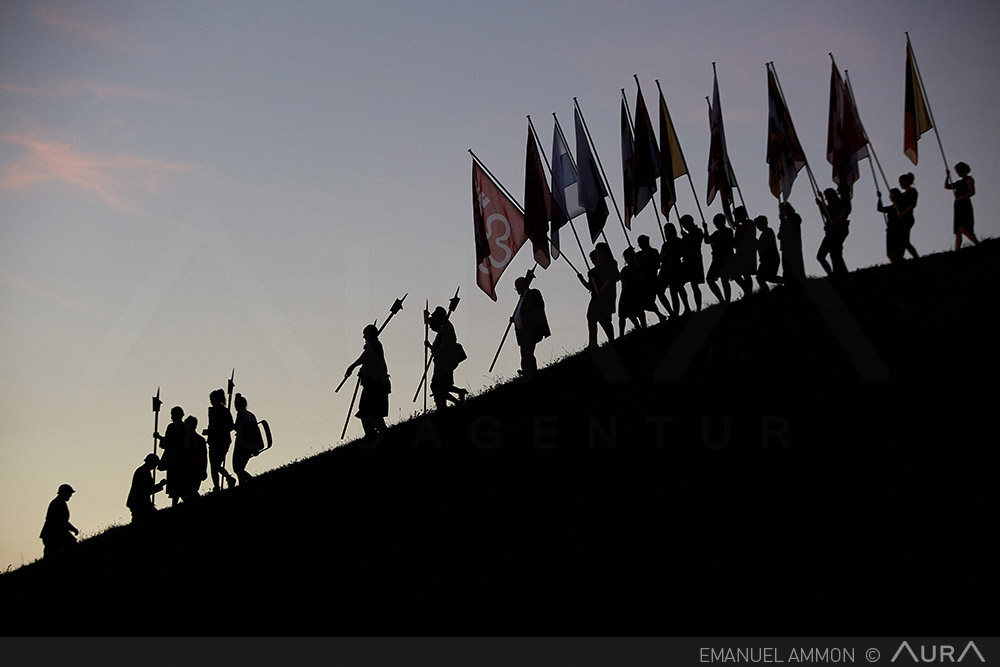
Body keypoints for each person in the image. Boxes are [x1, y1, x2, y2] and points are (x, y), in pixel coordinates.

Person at [345, 323, 391, 441]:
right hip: (376, 384)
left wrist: (352, 366)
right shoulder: (373, 346)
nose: (363, 337)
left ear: (370, 333)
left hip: (375, 385)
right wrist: (362, 372)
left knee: (367, 411)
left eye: (365, 334)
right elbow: (369, 361)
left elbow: (365, 357)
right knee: (372, 412)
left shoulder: (374, 345)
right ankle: (378, 434)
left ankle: (372, 435)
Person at [577, 244, 618, 347]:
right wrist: (581, 279)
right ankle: (593, 342)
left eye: (594, 257)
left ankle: (611, 340)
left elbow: (613, 278)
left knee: (605, 320)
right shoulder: (592, 272)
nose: (593, 260)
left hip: (606, 296)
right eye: (591, 259)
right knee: (591, 317)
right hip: (595, 298)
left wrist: (602, 291)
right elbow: (590, 287)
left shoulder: (608, 265)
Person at [426, 306, 467, 409]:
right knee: (443, 385)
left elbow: (445, 345)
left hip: (446, 359)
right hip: (443, 359)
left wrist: (431, 346)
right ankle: (457, 396)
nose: (431, 327)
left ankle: (444, 406)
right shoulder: (443, 328)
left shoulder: (446, 327)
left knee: (437, 385)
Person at [512, 276, 550, 381]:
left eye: (518, 287)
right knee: (526, 353)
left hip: (531, 330)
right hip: (523, 332)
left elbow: (537, 308)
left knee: (527, 353)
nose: (517, 291)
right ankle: (528, 371)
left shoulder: (533, 293)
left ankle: (530, 373)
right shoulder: (522, 299)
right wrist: (515, 318)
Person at [154, 406, 190, 506]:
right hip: (178, 458)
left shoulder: (174, 427)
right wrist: (160, 438)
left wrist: (160, 438)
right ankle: (176, 503)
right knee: (176, 482)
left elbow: (168, 443)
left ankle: (177, 503)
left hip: (176, 458)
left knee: (176, 482)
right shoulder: (184, 427)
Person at [204, 389, 237, 492]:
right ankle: (217, 486)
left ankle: (229, 478)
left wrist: (211, 431)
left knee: (215, 464)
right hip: (216, 441)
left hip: (221, 441)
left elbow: (230, 426)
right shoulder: (214, 410)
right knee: (214, 465)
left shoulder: (221, 411)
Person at [816, 188, 851, 278]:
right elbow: (826, 213)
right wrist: (821, 202)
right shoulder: (830, 206)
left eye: (827, 197)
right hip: (831, 232)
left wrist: (834, 223)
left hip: (838, 230)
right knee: (821, 256)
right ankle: (832, 274)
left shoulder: (840, 204)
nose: (826, 199)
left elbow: (843, 213)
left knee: (835, 254)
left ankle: (840, 274)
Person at [945, 162, 979, 250]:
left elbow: (972, 192)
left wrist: (961, 198)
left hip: (965, 205)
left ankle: (977, 244)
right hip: (958, 207)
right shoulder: (959, 182)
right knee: (957, 231)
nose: (957, 173)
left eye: (958, 171)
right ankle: (957, 250)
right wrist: (947, 176)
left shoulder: (968, 180)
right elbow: (947, 186)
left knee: (963, 228)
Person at [40, 484, 79, 558]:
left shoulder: (59, 502)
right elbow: (60, 521)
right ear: (64, 493)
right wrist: (73, 529)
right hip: (53, 533)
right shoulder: (58, 503)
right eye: (69, 493)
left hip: (55, 533)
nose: (70, 495)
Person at [635, 235, 668, 323]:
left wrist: (648, 266)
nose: (640, 244)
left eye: (642, 242)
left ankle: (670, 312)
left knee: (660, 295)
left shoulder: (653, 252)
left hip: (653, 278)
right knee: (647, 302)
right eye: (640, 243)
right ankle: (660, 315)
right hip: (644, 281)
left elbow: (657, 264)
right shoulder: (638, 255)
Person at [660, 223, 690, 316]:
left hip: (676, 266)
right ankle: (674, 311)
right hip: (666, 269)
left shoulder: (678, 241)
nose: (666, 233)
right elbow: (660, 258)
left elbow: (684, 251)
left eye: (668, 231)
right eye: (665, 231)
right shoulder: (665, 244)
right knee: (668, 291)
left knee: (678, 289)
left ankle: (685, 308)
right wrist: (665, 255)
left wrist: (673, 253)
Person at [233, 393, 264, 485]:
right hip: (251, 444)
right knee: (240, 467)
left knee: (237, 468)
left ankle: (252, 481)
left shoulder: (241, 414)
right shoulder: (251, 415)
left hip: (242, 443)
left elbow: (238, 427)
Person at [126, 453, 166, 523]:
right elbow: (146, 490)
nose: (155, 466)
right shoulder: (143, 472)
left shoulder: (143, 471)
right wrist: (160, 485)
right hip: (139, 502)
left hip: (139, 502)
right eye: (155, 464)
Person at [679, 215, 707, 312]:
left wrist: (685, 237)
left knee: (694, 285)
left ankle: (698, 307)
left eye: (684, 224)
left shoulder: (697, 231)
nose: (684, 226)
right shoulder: (687, 235)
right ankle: (687, 307)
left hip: (695, 259)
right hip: (687, 261)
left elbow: (696, 243)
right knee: (680, 283)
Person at [705, 213, 734, 304]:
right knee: (710, 279)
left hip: (726, 258)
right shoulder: (716, 233)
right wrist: (705, 229)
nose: (716, 224)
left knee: (724, 279)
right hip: (716, 259)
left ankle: (727, 301)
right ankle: (722, 300)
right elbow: (707, 240)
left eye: (718, 222)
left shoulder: (728, 231)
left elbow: (726, 244)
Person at [617, 247, 645, 336]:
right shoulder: (624, 269)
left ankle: (643, 327)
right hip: (625, 292)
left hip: (634, 291)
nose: (627, 258)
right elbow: (618, 277)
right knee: (623, 314)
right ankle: (622, 334)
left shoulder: (637, 267)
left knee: (638, 310)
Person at [731, 206, 757, 298]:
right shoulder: (739, 227)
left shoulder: (750, 223)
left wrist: (739, 228)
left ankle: (748, 292)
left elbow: (750, 235)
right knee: (735, 274)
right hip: (740, 252)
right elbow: (735, 242)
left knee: (746, 273)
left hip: (748, 251)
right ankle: (746, 290)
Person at [777, 202, 805, 283]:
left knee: (795, 264)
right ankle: (789, 281)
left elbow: (788, 230)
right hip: (786, 246)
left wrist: (783, 221)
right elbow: (779, 235)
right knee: (786, 266)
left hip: (793, 245)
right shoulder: (786, 220)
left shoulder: (794, 217)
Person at [754, 216, 782, 292]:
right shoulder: (766, 233)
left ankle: (787, 281)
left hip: (770, 259)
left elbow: (762, 245)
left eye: (758, 224)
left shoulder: (768, 232)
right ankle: (766, 292)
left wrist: (756, 242)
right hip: (767, 260)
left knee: (765, 278)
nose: (757, 227)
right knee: (766, 278)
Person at [877, 188, 905, 264]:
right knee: (890, 253)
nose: (890, 197)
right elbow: (880, 209)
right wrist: (879, 198)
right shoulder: (892, 208)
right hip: (891, 229)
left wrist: (892, 225)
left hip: (896, 229)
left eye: (891, 195)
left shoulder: (898, 207)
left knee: (895, 252)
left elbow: (900, 219)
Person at [184, 416, 208, 501]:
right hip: (196, 467)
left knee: (190, 490)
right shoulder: (200, 439)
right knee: (189, 490)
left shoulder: (190, 439)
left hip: (193, 467)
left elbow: (204, 456)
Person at [897, 173, 920, 259]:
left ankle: (916, 257)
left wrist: (903, 213)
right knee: (902, 240)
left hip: (908, 218)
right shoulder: (902, 195)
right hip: (902, 219)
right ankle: (900, 257)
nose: (900, 184)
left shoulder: (912, 191)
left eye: (901, 182)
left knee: (905, 240)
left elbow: (912, 205)